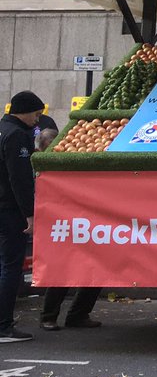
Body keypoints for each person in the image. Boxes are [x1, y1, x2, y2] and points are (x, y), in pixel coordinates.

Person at [32, 112, 102, 331]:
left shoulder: (71, 163)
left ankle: (78, 315)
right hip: (59, 226)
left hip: (81, 223)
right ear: (41, 150)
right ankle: (49, 316)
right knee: (61, 271)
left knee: (97, 268)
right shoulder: (39, 171)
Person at [0, 91, 41, 342]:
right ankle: (4, 324)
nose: (37, 120)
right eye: (36, 114)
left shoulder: (2, 129)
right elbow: (20, 180)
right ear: (23, 111)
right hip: (10, 209)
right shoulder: (16, 136)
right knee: (10, 267)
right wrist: (30, 214)